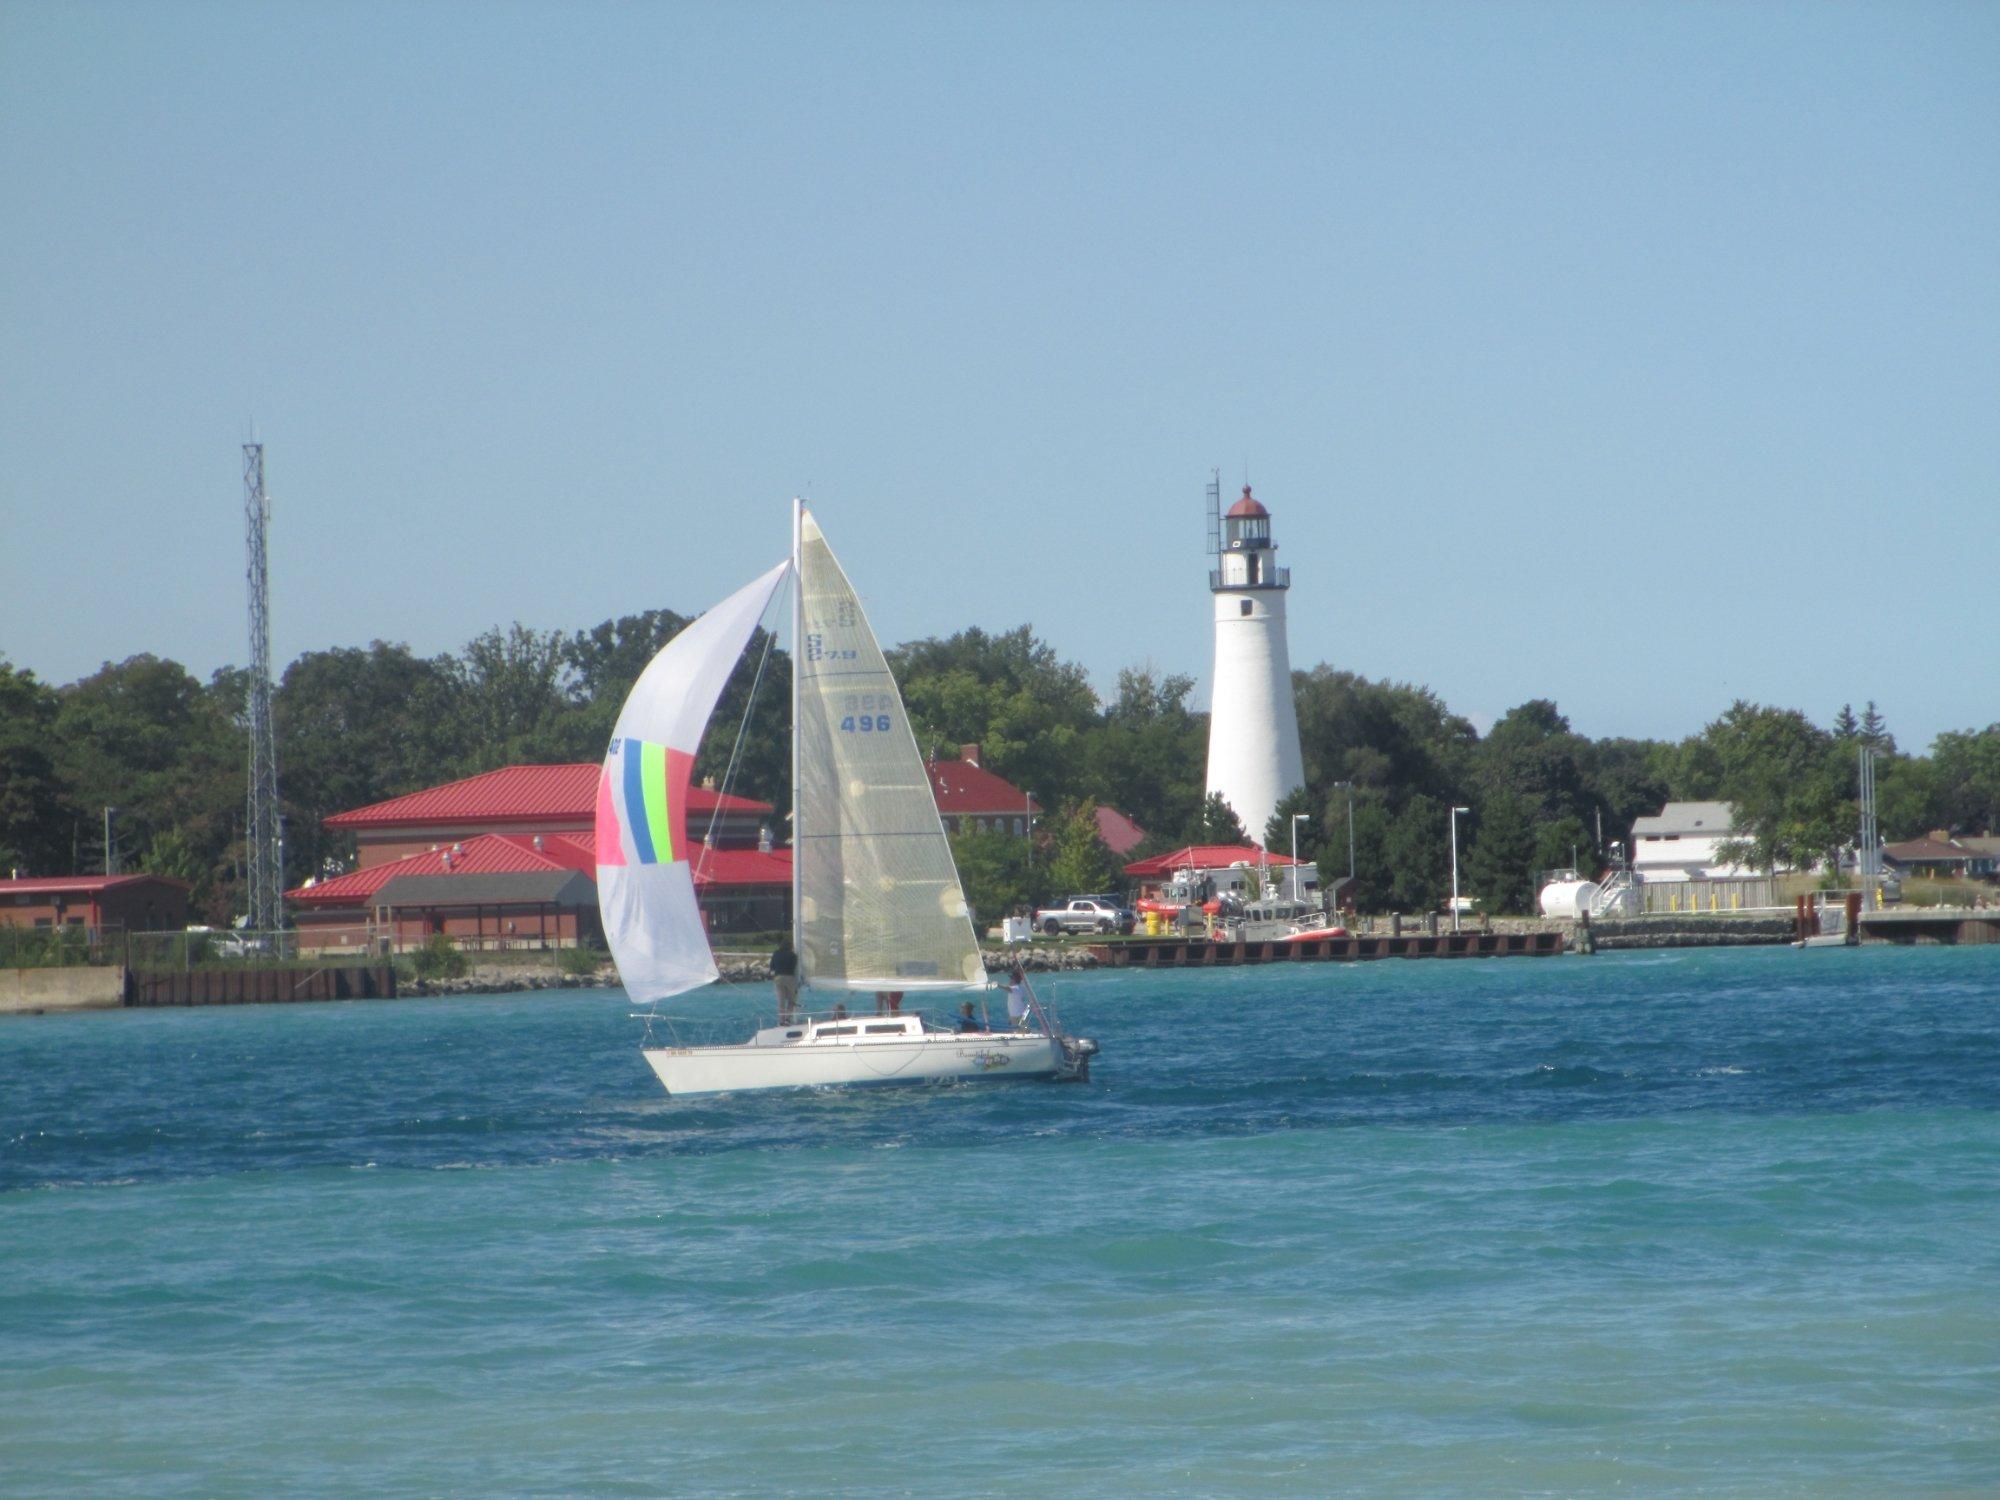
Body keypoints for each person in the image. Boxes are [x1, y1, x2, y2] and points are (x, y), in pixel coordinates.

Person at [770, 937, 800, 1022]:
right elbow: (794, 967)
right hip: (789, 977)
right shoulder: (793, 955)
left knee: (781, 1000)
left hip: (778, 978)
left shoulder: (776, 953)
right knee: (792, 999)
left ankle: (781, 1019)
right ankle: (788, 1018)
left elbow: (772, 966)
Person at [1005, 965, 1032, 1031]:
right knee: (1020, 1031)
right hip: (1017, 1015)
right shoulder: (1019, 988)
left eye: (1011, 979)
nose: (1009, 981)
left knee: (1021, 1032)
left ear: (1014, 980)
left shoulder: (1016, 988)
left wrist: (997, 985)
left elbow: (1008, 989)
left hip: (1018, 1016)